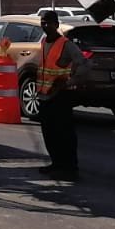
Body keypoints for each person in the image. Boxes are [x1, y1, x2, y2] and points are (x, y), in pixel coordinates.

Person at [35, 10, 86, 180]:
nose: (45, 25)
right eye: (43, 22)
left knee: (64, 134)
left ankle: (69, 168)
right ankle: (56, 163)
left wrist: (70, 82)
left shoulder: (65, 44)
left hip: (60, 97)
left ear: (56, 25)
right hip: (45, 96)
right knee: (49, 134)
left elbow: (83, 64)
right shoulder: (44, 42)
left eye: (48, 23)